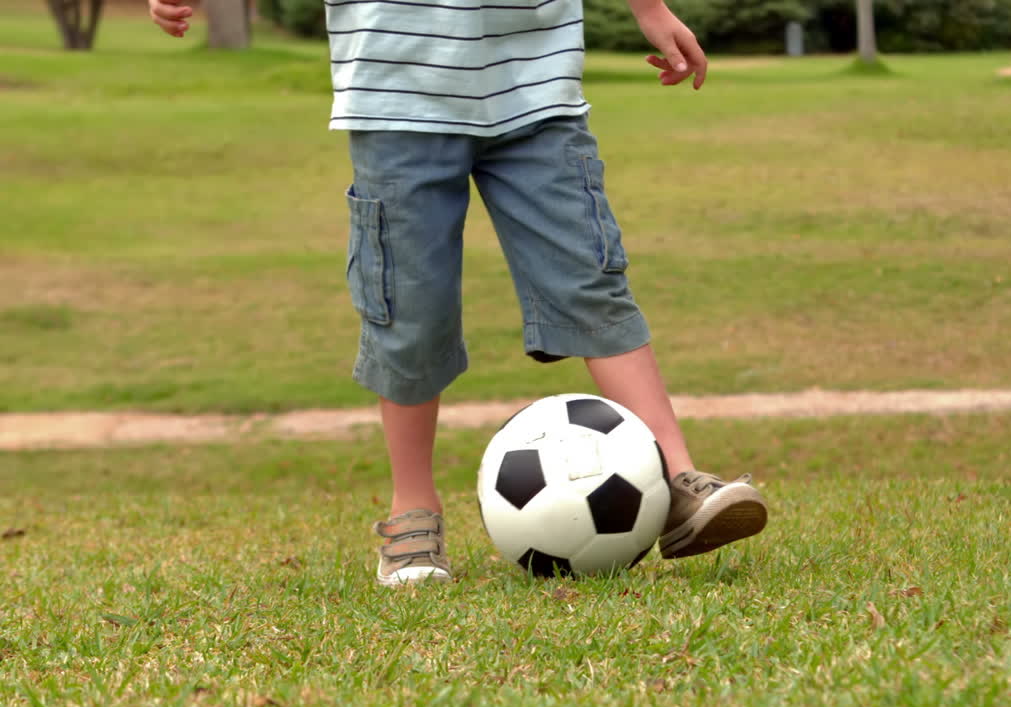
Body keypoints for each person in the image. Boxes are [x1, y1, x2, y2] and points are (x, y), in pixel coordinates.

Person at [147, 0, 768, 585]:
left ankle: (677, 483)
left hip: (536, 85)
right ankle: (412, 509)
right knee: (409, 310)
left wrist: (648, 8)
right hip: (396, 93)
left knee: (590, 282)